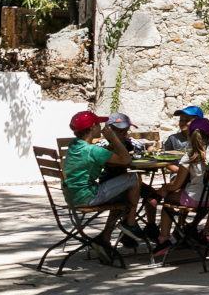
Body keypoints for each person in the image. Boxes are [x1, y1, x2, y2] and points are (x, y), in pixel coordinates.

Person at [61, 111, 147, 263]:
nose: (101, 127)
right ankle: (130, 223)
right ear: (93, 127)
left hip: (72, 197)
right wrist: (113, 138)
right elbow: (126, 160)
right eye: (98, 124)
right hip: (88, 197)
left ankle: (104, 240)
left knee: (121, 198)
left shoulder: (74, 145)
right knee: (133, 178)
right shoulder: (92, 150)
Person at [153, 117, 209, 256]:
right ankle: (198, 231)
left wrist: (164, 189)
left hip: (195, 198)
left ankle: (164, 239)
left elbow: (177, 184)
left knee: (168, 203)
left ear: (189, 135)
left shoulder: (190, 156)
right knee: (179, 194)